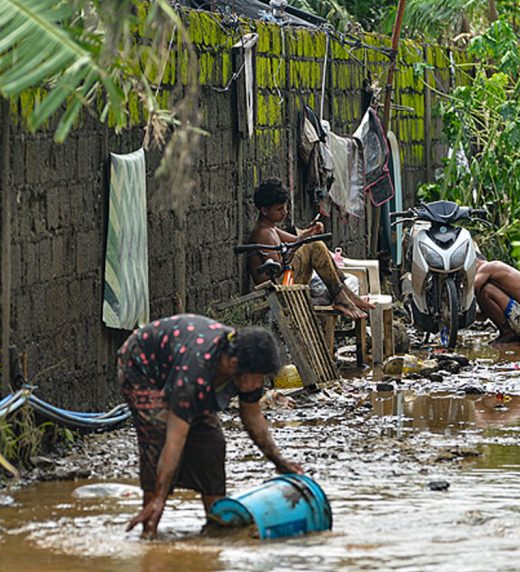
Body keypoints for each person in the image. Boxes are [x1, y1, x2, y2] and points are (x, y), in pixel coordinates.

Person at [119, 314, 303, 537]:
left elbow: (253, 418)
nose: (258, 385)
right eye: (256, 378)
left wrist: (279, 462)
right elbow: (175, 440)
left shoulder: (249, 368)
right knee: (156, 438)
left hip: (184, 371)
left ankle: (217, 527)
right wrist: (160, 497)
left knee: (212, 444)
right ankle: (149, 528)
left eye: (262, 378)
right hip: (143, 367)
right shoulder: (196, 369)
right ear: (234, 364)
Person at [247, 178, 374, 320]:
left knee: (314, 243)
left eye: (285, 207)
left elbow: (296, 240)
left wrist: (312, 231)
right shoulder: (262, 233)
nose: (285, 212)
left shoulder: (272, 228)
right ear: (264, 210)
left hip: (285, 282)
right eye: (279, 209)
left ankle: (344, 293)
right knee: (315, 246)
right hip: (275, 290)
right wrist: (302, 242)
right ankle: (341, 295)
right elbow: (277, 269)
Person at [473, 258, 520, 344]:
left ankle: (507, 333)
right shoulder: (492, 271)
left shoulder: (487, 267)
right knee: (484, 291)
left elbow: (472, 288)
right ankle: (509, 333)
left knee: (486, 290)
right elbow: (484, 315)